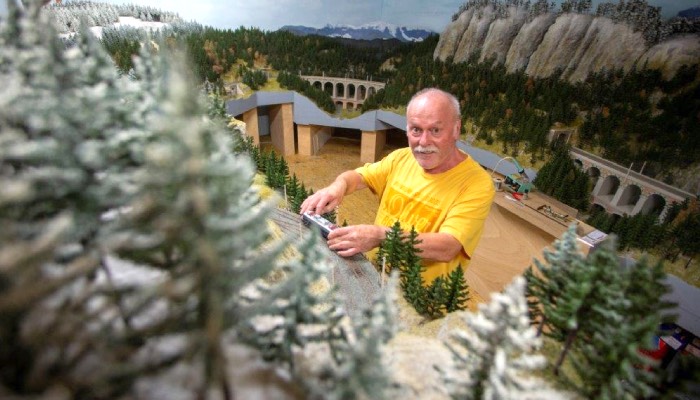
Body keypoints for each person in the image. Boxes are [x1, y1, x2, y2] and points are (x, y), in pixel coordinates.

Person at [300, 88, 495, 283]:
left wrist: (380, 236)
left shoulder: (477, 183)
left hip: (419, 299)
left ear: (456, 129)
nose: (424, 142)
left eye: (435, 130)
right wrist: (337, 186)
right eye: (416, 130)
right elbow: (359, 176)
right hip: (375, 276)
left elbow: (448, 246)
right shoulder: (401, 157)